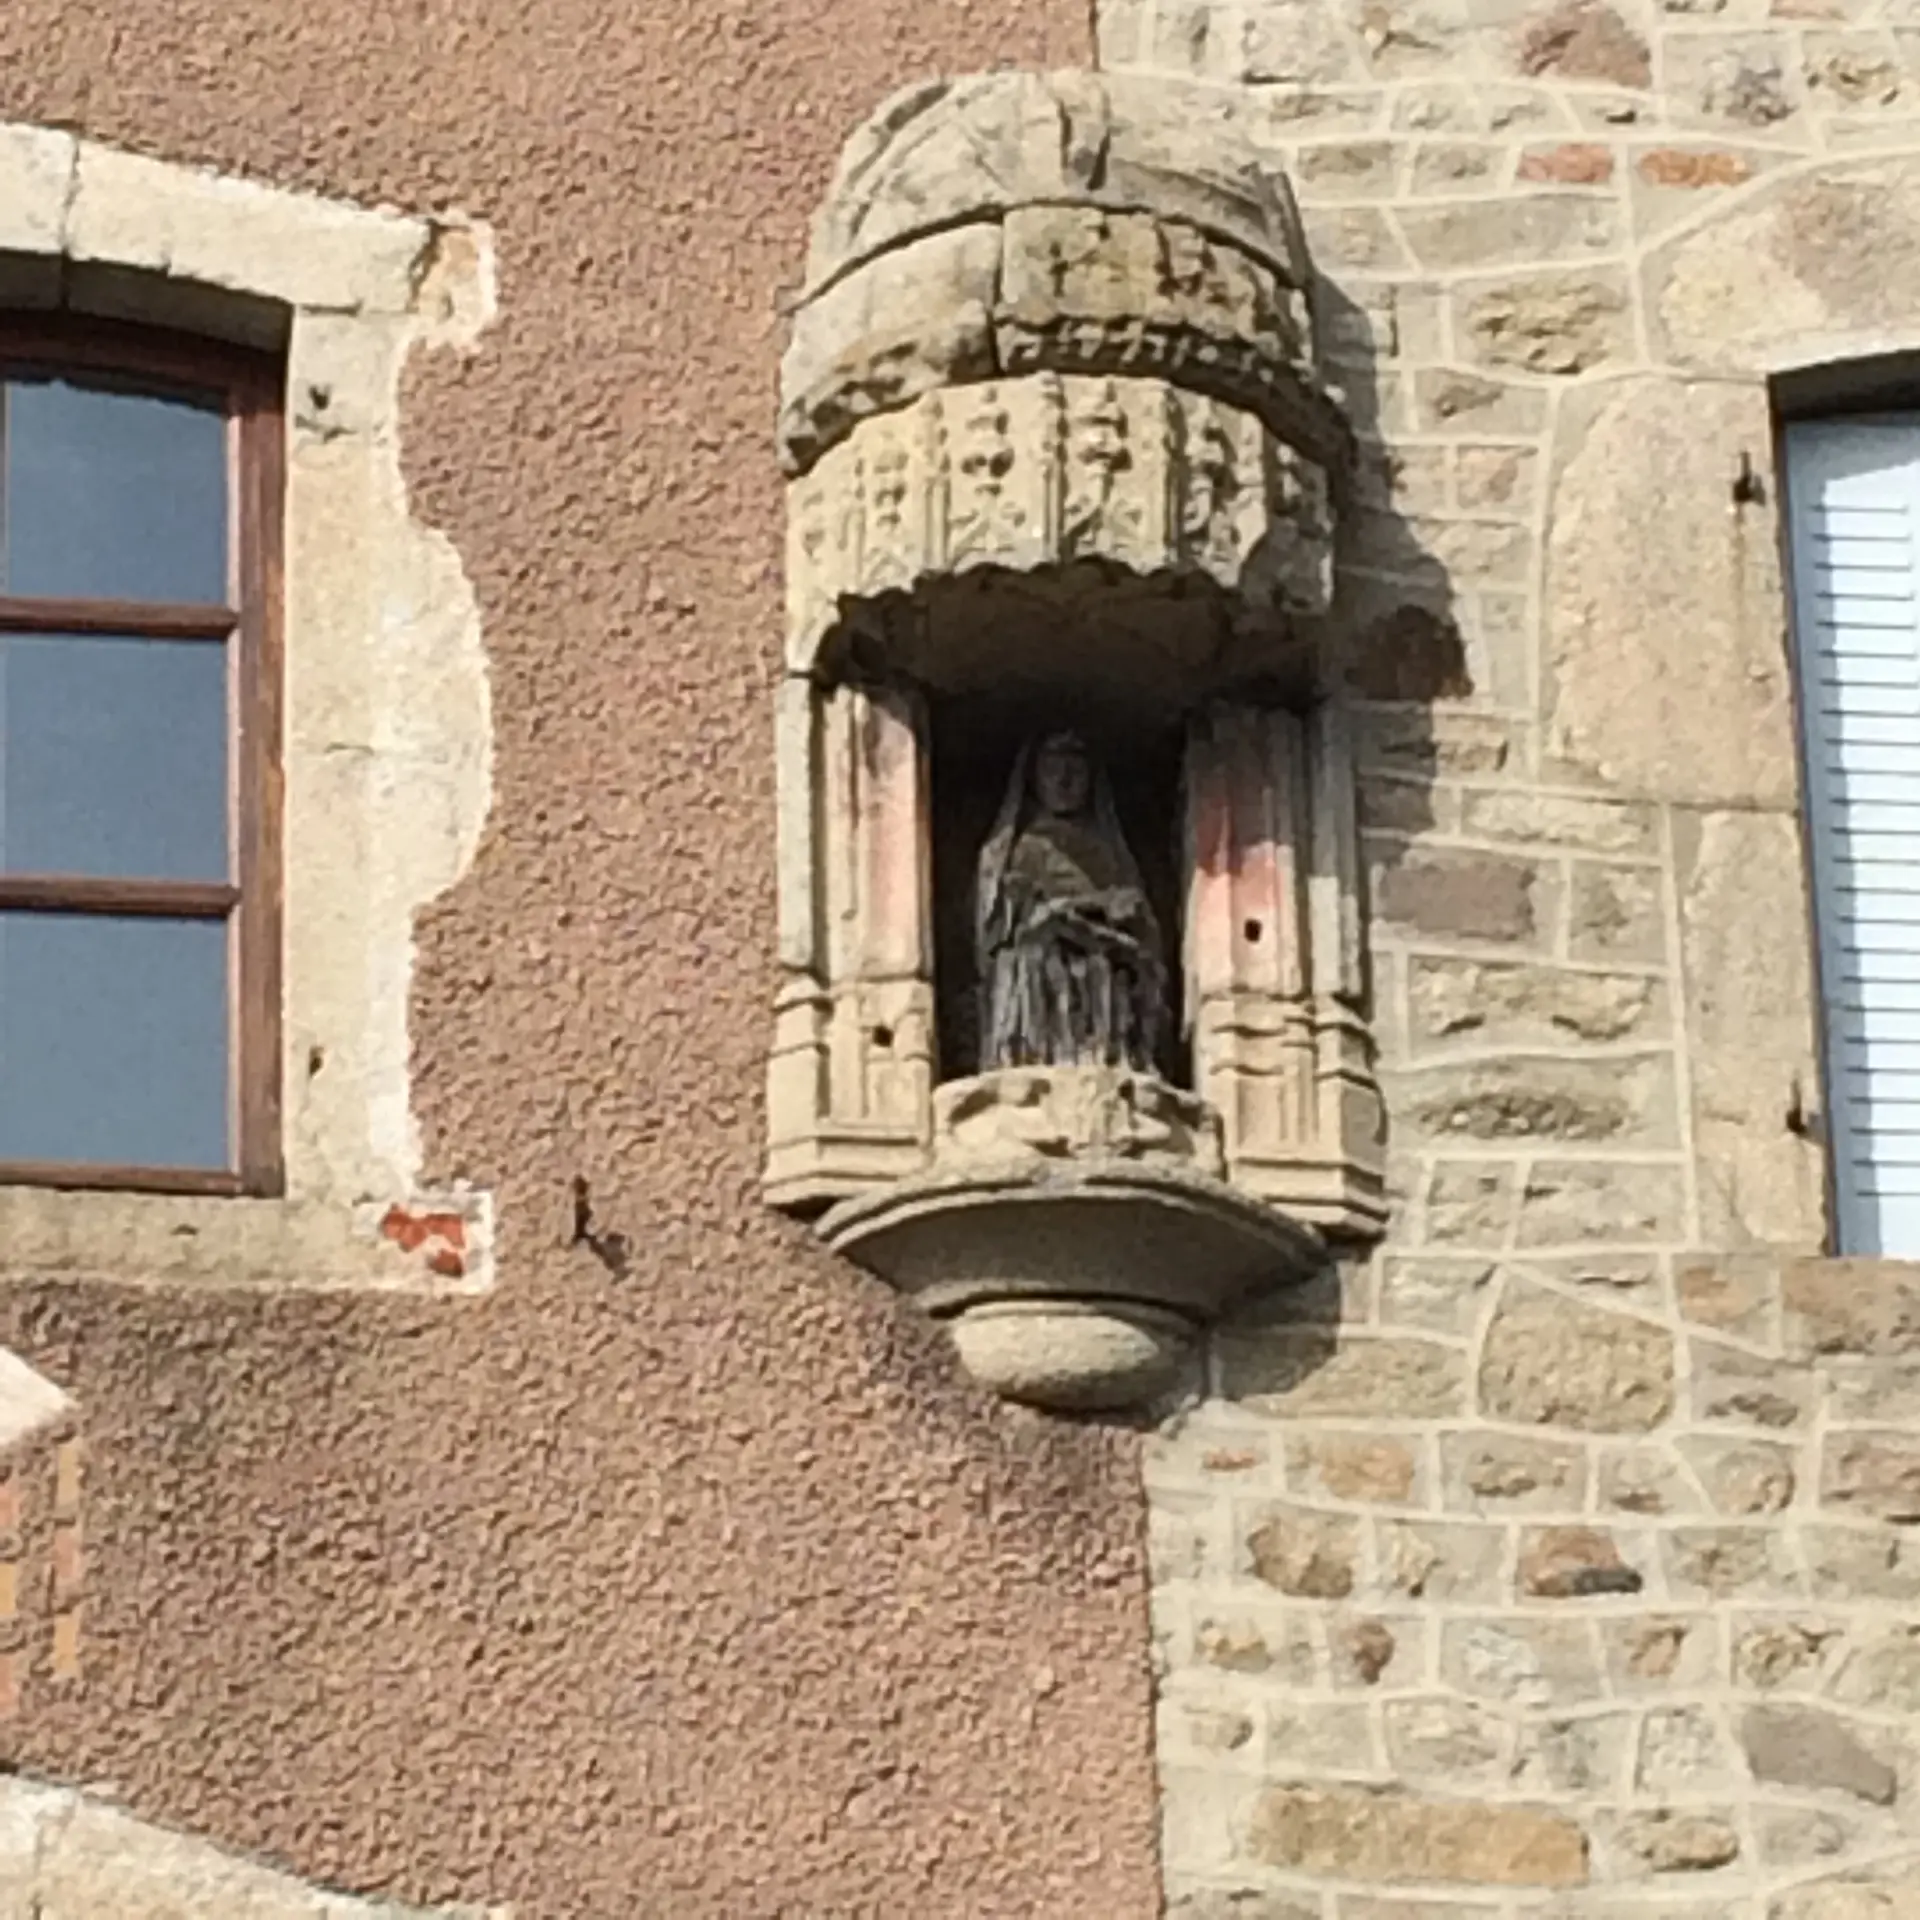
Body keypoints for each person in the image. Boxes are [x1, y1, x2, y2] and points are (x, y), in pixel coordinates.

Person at [974, 729, 1167, 1073]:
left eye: (1075, 772)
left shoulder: (1111, 853)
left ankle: (1113, 1056)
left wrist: (1123, 914)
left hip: (1104, 953)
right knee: (1042, 960)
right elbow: (999, 928)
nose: (1064, 781)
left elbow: (1143, 925)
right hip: (1043, 951)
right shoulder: (1021, 848)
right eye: (1052, 770)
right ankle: (1039, 1055)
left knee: (1106, 968)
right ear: (1035, 781)